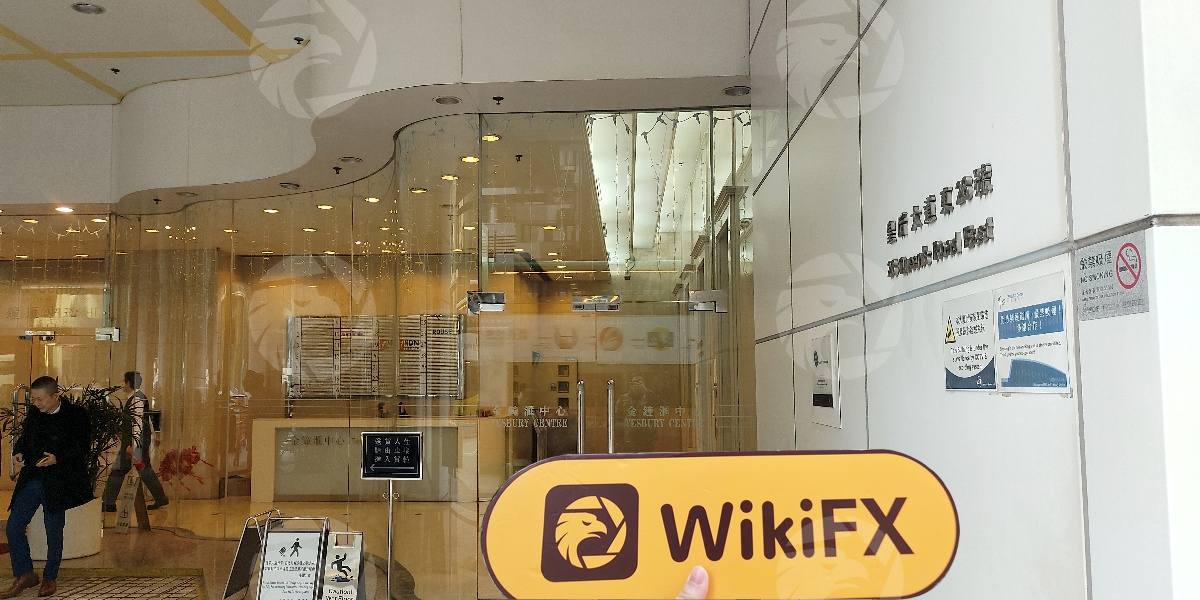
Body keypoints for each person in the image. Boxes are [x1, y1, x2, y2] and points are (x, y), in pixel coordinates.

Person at [1, 376, 92, 598]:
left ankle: (50, 577)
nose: (36, 403)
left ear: (55, 396)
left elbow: (82, 447)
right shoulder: (35, 413)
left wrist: (57, 458)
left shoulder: (77, 415)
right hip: (33, 477)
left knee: (53, 529)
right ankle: (25, 574)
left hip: (59, 480)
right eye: (33, 399)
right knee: (13, 526)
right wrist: (19, 452)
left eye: (40, 399)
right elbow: (25, 438)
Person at [102, 371, 169, 512]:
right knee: (143, 470)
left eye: (124, 381)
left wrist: (132, 446)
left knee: (120, 470)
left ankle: (108, 502)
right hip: (136, 443)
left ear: (129, 383)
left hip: (134, 444)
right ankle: (160, 498)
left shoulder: (136, 399)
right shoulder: (138, 398)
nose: (123, 384)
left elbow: (137, 423)